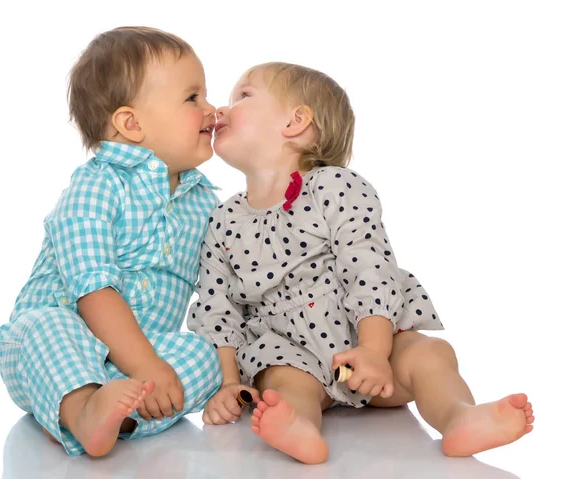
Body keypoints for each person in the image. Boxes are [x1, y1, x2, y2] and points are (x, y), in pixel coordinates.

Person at [188, 62, 534, 464]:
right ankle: (297, 425)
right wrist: (229, 383)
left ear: (295, 121)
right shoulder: (222, 220)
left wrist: (373, 349)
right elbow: (217, 307)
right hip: (292, 353)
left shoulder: (335, 186)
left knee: (429, 355)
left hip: (373, 347)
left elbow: (369, 266)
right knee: (281, 385)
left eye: (242, 96)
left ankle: (459, 417)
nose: (221, 109)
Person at [0, 26, 222, 457]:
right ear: (131, 123)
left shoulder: (204, 203)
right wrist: (147, 366)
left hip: (135, 361)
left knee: (203, 357)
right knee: (46, 325)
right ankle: (79, 406)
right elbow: (92, 289)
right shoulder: (96, 186)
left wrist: (150, 368)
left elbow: (221, 292)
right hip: (59, 344)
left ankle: (110, 418)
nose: (211, 109)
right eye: (193, 98)